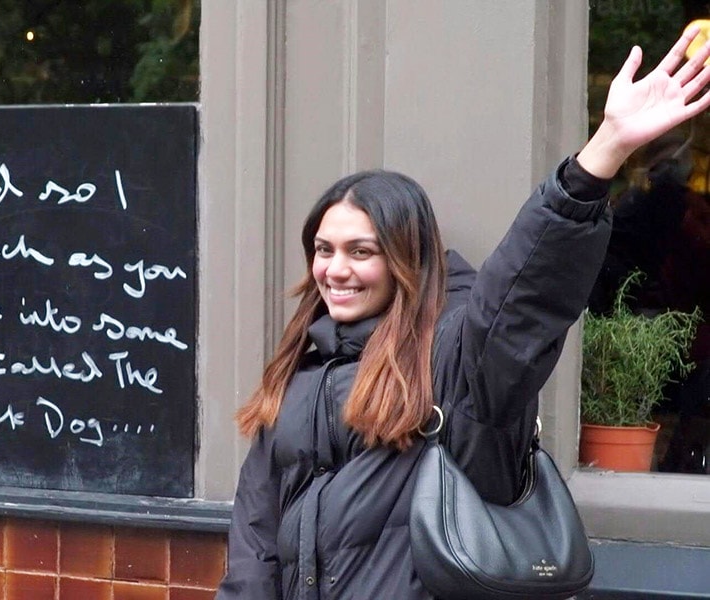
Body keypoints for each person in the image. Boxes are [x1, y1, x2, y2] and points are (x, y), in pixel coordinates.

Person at [216, 28, 710, 600]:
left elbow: (522, 301)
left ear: (407, 259)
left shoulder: (453, 358)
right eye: (324, 250)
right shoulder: (297, 372)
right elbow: (253, 539)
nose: (335, 269)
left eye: (361, 251)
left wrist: (600, 156)